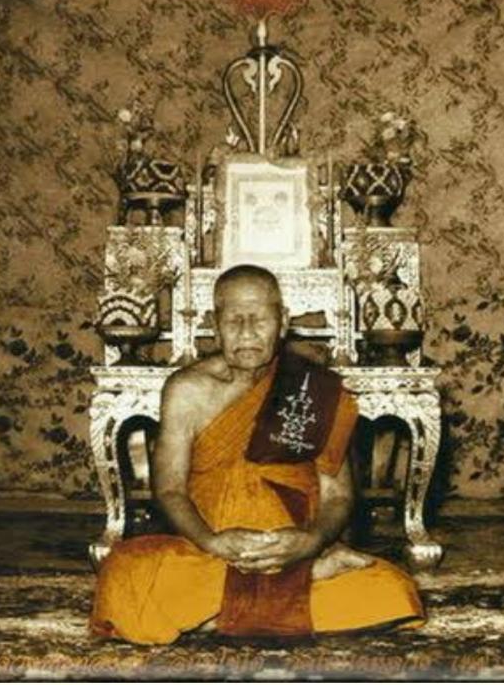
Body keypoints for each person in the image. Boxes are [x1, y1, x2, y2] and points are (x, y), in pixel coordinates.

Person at [91, 264, 424, 644]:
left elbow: (338, 496)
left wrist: (310, 541)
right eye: (234, 320)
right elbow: (169, 491)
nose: (247, 332)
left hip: (292, 545)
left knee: (393, 592)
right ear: (214, 326)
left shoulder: (314, 388)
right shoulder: (187, 390)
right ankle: (299, 584)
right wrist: (212, 542)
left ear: (283, 323)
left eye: (260, 319)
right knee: (123, 575)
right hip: (212, 549)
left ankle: (229, 610)